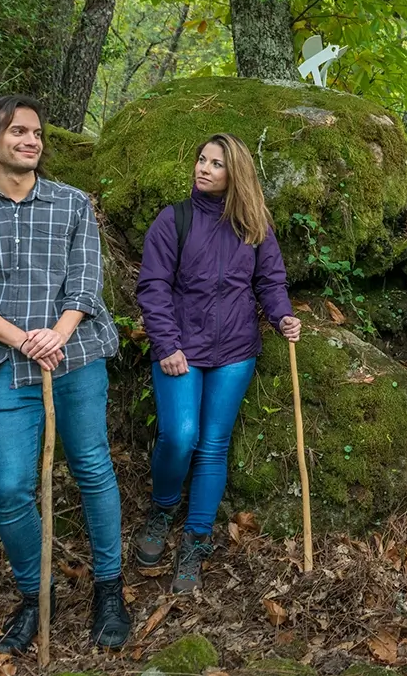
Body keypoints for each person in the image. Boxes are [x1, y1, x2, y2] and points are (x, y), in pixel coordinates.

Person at [0, 95, 130, 652]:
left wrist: (58, 334)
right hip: (5, 363)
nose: (31, 140)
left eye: (37, 133)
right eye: (18, 131)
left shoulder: (72, 204)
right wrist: (24, 339)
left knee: (92, 467)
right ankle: (35, 596)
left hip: (77, 356)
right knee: (9, 488)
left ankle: (109, 588)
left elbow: (86, 283)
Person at [133, 132, 302, 592]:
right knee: (180, 435)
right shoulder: (174, 219)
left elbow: (270, 281)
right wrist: (166, 344)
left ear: (235, 174)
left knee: (212, 445)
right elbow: (153, 286)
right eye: (201, 160)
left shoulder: (253, 224)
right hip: (180, 349)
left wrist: (283, 316)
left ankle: (196, 538)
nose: (204, 169)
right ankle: (163, 508)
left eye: (216, 163)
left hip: (234, 350)